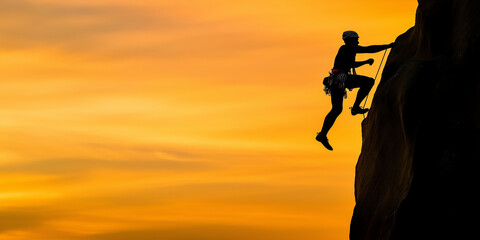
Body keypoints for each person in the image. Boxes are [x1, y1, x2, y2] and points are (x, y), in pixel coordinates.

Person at [316, 31, 395, 151]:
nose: (358, 41)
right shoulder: (345, 48)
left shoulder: (349, 49)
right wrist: (368, 60)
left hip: (337, 80)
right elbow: (354, 61)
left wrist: (387, 46)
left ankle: (322, 134)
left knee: (336, 109)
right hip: (340, 79)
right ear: (349, 40)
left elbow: (368, 49)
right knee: (368, 82)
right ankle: (355, 107)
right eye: (356, 39)